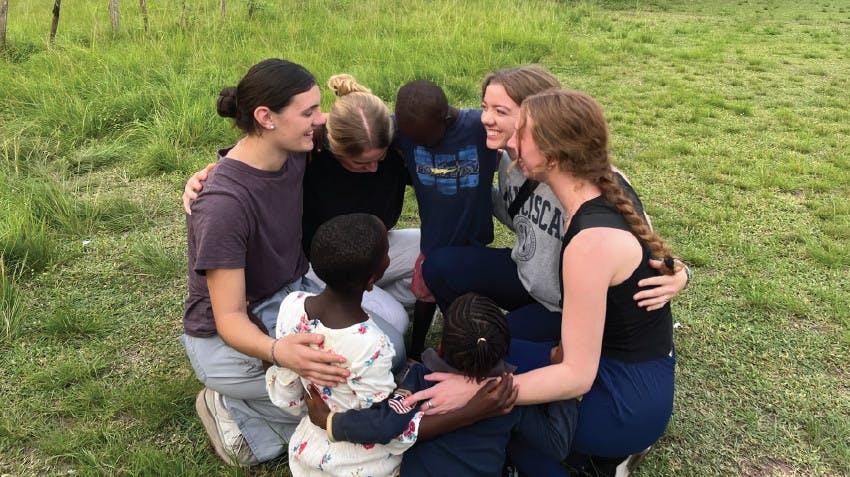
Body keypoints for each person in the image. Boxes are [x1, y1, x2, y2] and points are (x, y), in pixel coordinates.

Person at [405, 89, 680, 476]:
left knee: (493, 415)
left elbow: (576, 375)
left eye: (522, 134)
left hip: (625, 400)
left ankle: (596, 461)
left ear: (553, 157)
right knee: (477, 356)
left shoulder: (590, 244)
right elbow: (653, 259)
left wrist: (481, 393)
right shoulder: (607, 181)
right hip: (619, 364)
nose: (511, 143)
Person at [422, 66, 690, 345]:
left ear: (537, 118)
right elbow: (515, 214)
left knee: (493, 345)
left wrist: (680, 273)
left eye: (501, 111)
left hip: (563, 306)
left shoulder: (580, 179)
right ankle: (468, 325)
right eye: (484, 107)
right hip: (526, 276)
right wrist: (460, 184)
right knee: (440, 266)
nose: (486, 118)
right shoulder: (508, 164)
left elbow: (638, 241)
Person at [180, 59, 350, 466]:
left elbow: (368, 121)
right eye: (309, 111)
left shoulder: (292, 147)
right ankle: (229, 409)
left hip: (292, 292)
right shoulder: (223, 206)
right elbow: (230, 318)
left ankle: (274, 401)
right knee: (340, 411)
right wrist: (279, 352)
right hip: (226, 339)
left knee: (365, 369)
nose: (320, 119)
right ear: (265, 118)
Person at [182, 74, 416, 353]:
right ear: (333, 147)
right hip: (319, 263)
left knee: (426, 251)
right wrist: (210, 175)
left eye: (379, 159)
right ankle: (368, 308)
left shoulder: (388, 138)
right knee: (398, 325)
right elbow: (256, 155)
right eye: (361, 163)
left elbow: (443, 127)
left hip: (368, 246)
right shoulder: (308, 150)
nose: (374, 169)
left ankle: (369, 302)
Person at [303, 293, 577, 477]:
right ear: (506, 351)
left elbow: (385, 424)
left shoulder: (422, 380)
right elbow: (556, 444)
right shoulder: (507, 395)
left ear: (442, 345)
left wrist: (330, 421)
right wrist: (563, 379)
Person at [265, 213, 419, 476]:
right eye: (387, 252)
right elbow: (380, 420)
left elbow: (287, 385)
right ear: (372, 280)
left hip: (309, 445)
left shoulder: (292, 305)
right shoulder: (371, 344)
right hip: (357, 459)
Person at [392, 80, 499, 358]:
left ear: (445, 118)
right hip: (434, 242)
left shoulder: (479, 127)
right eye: (411, 139)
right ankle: (416, 350)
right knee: (424, 295)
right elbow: (360, 121)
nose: (418, 144)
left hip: (473, 239)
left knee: (468, 305)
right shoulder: (404, 131)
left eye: (424, 139)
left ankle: (460, 347)